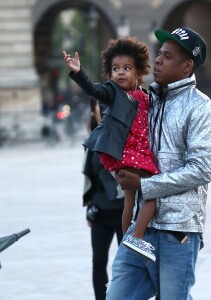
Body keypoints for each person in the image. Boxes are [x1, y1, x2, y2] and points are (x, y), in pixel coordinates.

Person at [109, 27, 211, 299]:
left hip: (177, 230)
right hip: (140, 230)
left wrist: (146, 185)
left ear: (186, 67)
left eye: (167, 56)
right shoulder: (147, 102)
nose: (157, 60)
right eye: (159, 54)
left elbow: (201, 169)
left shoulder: (202, 108)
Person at [63, 37, 160, 262]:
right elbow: (94, 90)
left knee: (133, 199)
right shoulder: (112, 92)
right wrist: (79, 73)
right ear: (110, 72)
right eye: (116, 69)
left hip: (139, 151)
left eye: (127, 68)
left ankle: (128, 240)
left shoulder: (146, 96)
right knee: (153, 192)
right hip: (126, 153)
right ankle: (135, 236)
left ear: (139, 73)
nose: (121, 73)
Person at [82, 98, 124, 300]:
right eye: (101, 106)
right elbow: (90, 179)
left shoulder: (125, 137)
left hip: (124, 211)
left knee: (125, 264)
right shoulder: (92, 141)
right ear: (94, 111)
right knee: (98, 261)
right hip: (100, 212)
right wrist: (89, 206)